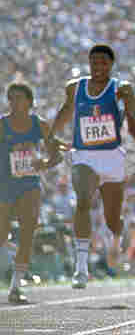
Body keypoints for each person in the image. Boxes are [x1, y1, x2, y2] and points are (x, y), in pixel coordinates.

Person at [51, 44, 135, 289]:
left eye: (104, 62)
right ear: (89, 63)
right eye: (94, 62)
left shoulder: (122, 89)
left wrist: (131, 115)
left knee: (112, 218)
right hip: (84, 155)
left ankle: (115, 242)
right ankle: (81, 268)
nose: (98, 67)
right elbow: (65, 111)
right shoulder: (75, 87)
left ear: (111, 65)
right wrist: (51, 136)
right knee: (82, 200)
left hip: (112, 157)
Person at [0, 82, 64, 303]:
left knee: (28, 232)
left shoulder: (40, 125)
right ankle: (12, 247)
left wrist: (44, 163)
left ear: (29, 100)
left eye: (19, 97)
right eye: (11, 98)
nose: (14, 102)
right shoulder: (2, 125)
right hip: (4, 184)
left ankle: (15, 288)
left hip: (29, 184)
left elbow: (57, 156)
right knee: (1, 234)